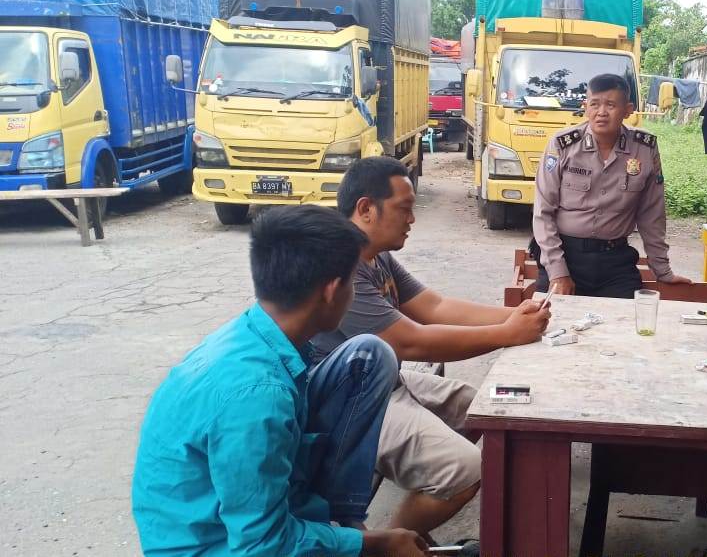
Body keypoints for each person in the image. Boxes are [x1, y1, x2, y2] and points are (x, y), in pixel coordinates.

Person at [132, 206, 426, 557]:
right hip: (215, 545)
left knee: (369, 356)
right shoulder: (258, 396)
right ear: (332, 290)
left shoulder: (258, 334)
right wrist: (373, 544)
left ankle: (338, 520)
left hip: (230, 516)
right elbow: (262, 546)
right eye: (352, 282)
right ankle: (340, 537)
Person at [312, 155, 551, 540]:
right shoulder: (341, 267)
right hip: (348, 402)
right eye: (403, 208)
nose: (412, 219)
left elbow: (434, 306)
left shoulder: (376, 256)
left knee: (475, 407)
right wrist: (508, 333)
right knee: (467, 468)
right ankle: (385, 544)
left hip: (382, 381)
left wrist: (514, 316)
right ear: (366, 208)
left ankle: (416, 494)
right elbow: (410, 341)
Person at [532, 72, 692, 297]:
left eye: (610, 105)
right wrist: (558, 273)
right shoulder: (562, 145)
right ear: (585, 107)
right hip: (565, 255)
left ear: (628, 110)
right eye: (594, 104)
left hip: (615, 260)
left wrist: (662, 270)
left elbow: (652, 215)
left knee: (628, 316)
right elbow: (543, 212)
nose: (601, 112)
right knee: (550, 316)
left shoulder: (644, 149)